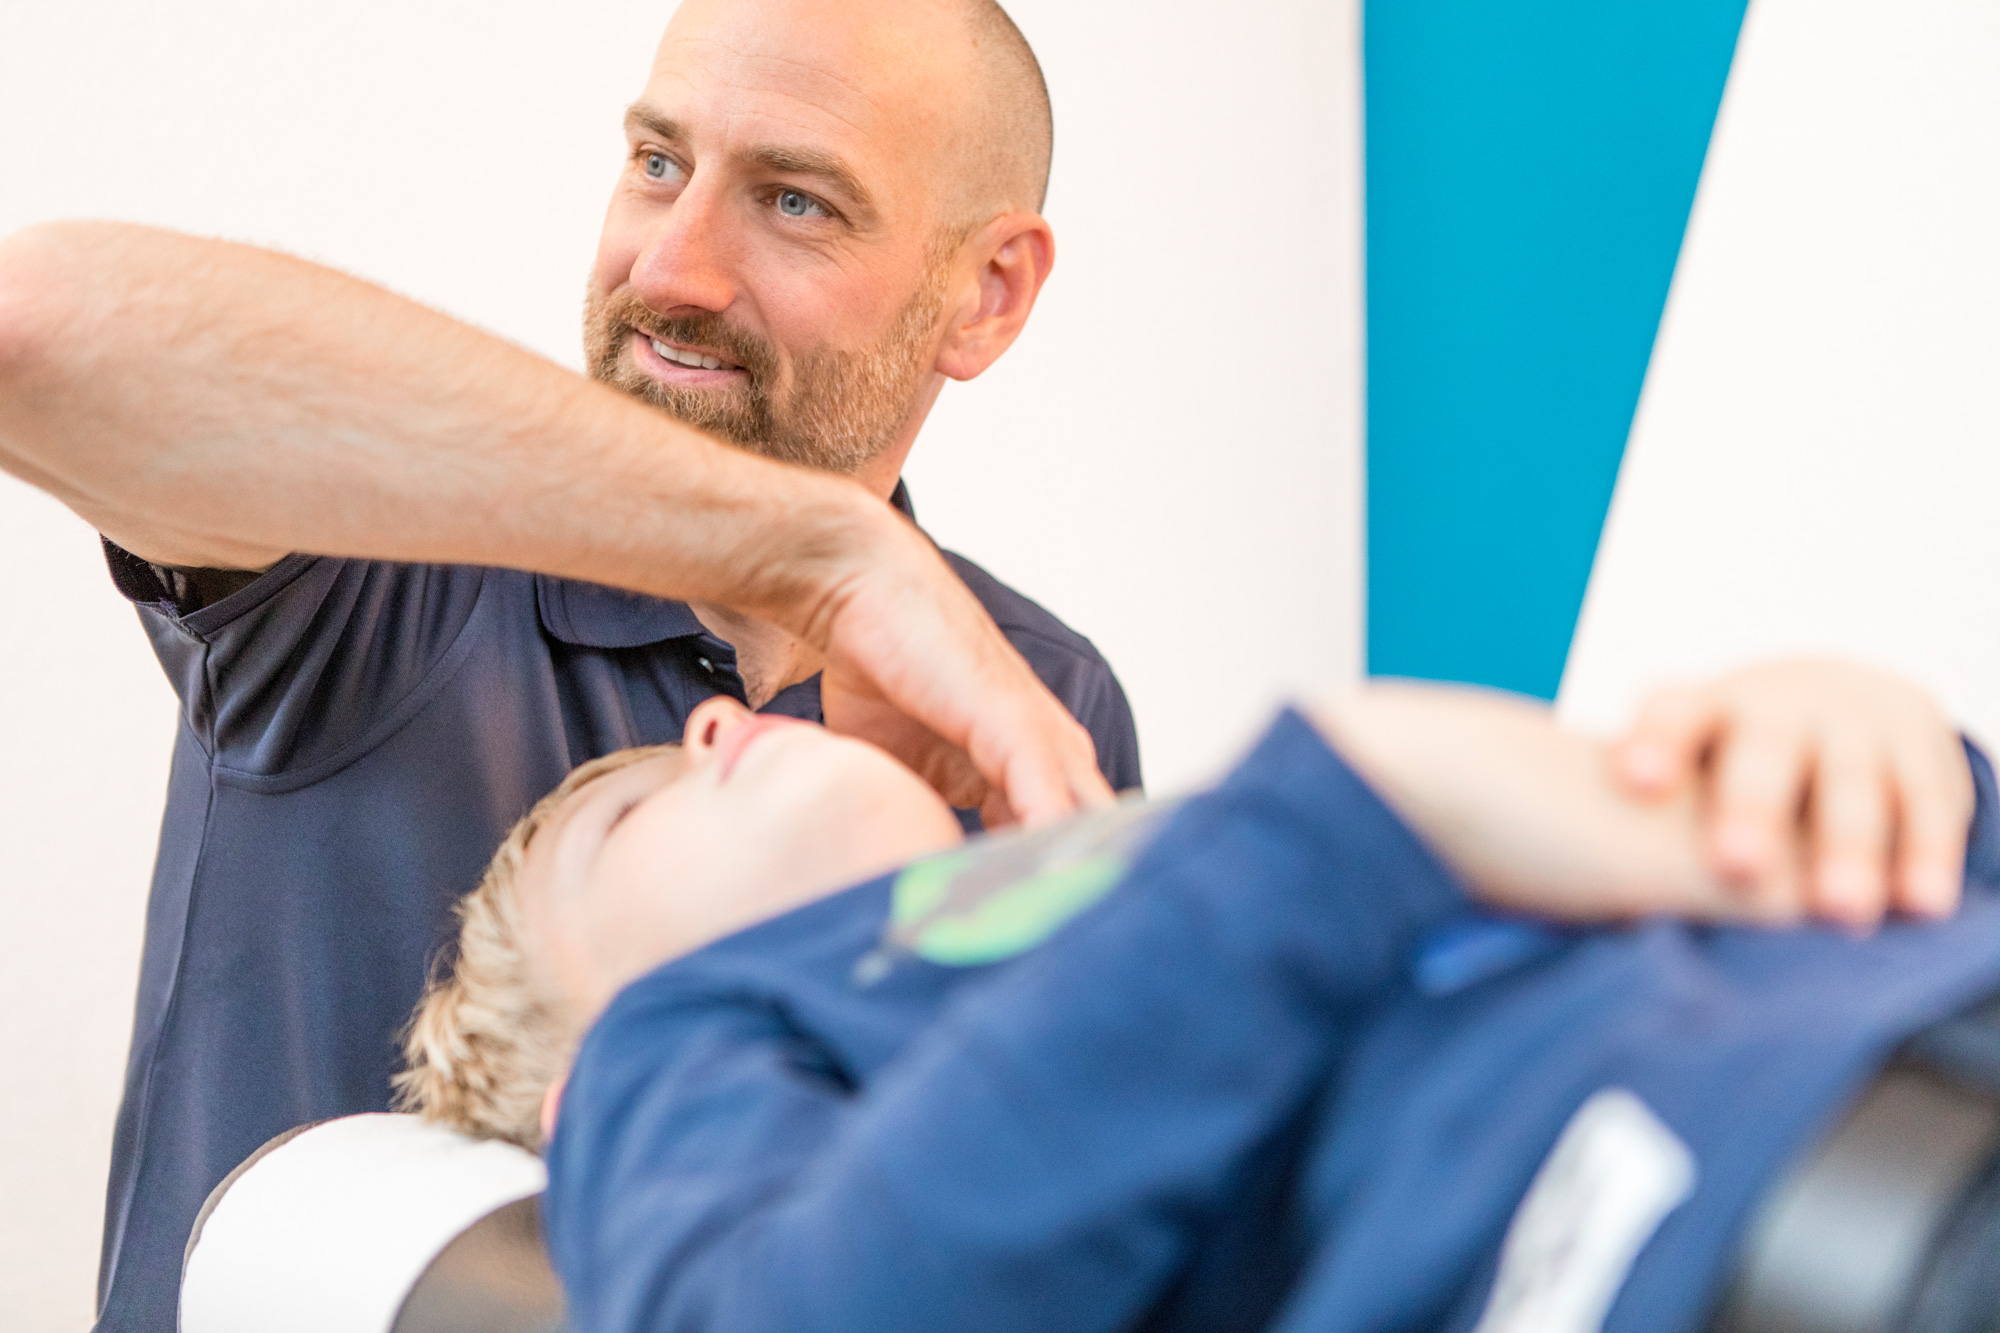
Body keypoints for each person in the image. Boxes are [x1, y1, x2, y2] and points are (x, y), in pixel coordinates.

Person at [0, 3, 1148, 1326]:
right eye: (659, 163)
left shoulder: (1044, 704)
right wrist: (818, 553)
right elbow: (33, 327)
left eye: (795, 201)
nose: (672, 267)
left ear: (987, 292)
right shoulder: (391, 559)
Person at [395, 664, 2000, 1333]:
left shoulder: (1143, 865)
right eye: (622, 815)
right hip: (1747, 1214)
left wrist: (1864, 758)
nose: (710, 716)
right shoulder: (676, 1047)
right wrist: (1350, 799)